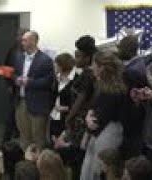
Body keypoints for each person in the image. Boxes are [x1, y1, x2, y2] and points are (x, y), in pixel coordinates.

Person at [80, 51, 129, 180]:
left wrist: (88, 124)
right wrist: (89, 116)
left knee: (99, 170)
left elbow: (97, 122)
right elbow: (93, 108)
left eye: (94, 64)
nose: (91, 67)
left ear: (101, 67)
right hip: (101, 133)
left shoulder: (112, 90)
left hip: (107, 134)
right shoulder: (105, 86)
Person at [54, 35, 97, 180]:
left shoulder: (88, 75)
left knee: (77, 159)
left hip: (80, 123)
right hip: (78, 121)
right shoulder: (85, 73)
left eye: (78, 56)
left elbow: (80, 100)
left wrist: (69, 118)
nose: (75, 59)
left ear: (87, 57)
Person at [14, 30, 56, 149]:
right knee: (24, 135)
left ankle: (38, 165)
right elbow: (15, 74)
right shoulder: (19, 58)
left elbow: (48, 82)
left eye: (24, 40)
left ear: (33, 41)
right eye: (22, 40)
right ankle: (25, 164)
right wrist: (16, 79)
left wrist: (29, 82)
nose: (22, 42)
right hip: (21, 102)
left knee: (38, 137)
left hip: (38, 104)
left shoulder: (45, 60)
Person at [2, 28, 29, 143]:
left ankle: (19, 143)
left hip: (28, 92)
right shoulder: (13, 51)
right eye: (18, 35)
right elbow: (6, 69)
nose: (18, 38)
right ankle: (5, 143)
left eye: (21, 36)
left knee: (23, 119)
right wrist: (8, 84)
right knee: (12, 116)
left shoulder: (32, 53)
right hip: (15, 89)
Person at [50, 53, 77, 137]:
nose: (55, 66)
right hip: (54, 116)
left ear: (62, 66)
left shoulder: (76, 80)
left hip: (68, 118)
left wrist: (67, 108)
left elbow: (79, 102)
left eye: (56, 64)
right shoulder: (55, 79)